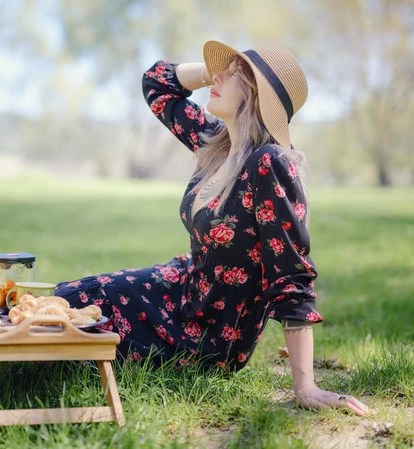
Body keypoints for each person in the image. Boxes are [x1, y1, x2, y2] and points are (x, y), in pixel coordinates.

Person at [55, 41, 369, 416]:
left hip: (206, 334)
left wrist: (305, 385)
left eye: (234, 76)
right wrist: (214, 72)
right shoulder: (217, 142)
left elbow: (292, 278)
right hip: (179, 286)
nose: (216, 78)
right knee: (70, 297)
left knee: (77, 320)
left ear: (254, 96)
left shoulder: (268, 165)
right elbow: (156, 84)